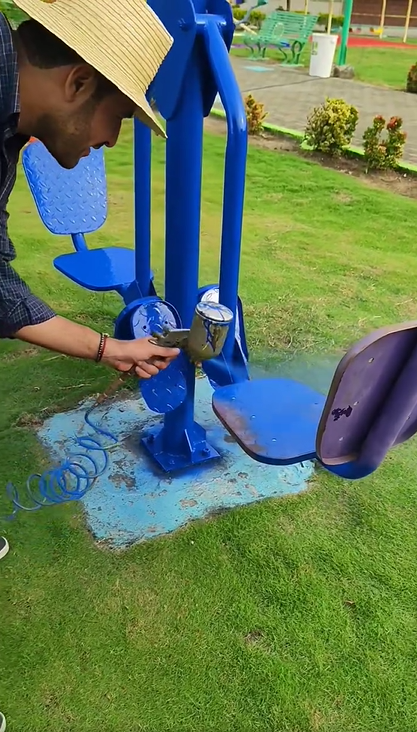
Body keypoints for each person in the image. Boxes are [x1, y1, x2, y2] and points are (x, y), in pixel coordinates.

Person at [0, 2, 179, 726]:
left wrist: (110, 348)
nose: (110, 140)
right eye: (120, 118)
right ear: (77, 82)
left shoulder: (9, 127)